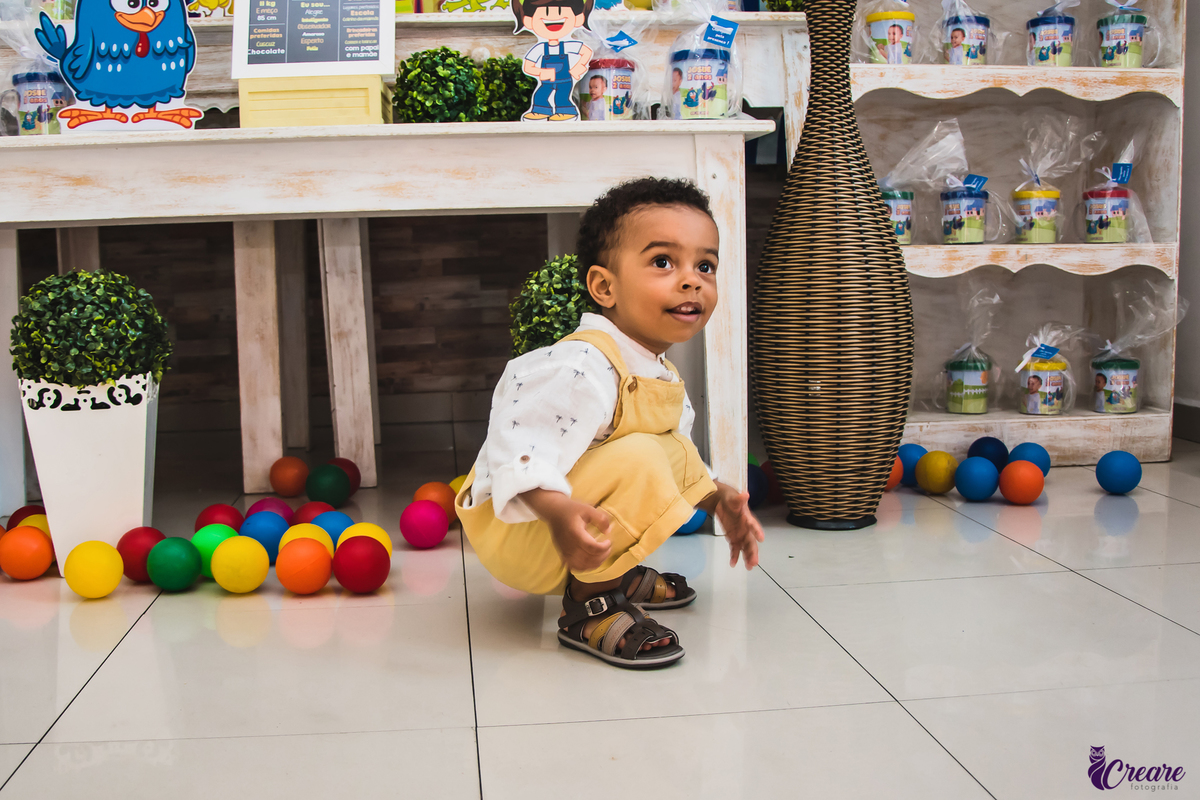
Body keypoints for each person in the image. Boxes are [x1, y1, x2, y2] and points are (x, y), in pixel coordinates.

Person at [455, 178, 764, 669]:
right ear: (604, 286)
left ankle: (613, 573)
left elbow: (678, 457)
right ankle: (587, 607)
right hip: (529, 528)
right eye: (663, 262)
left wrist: (716, 496)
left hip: (576, 527)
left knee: (668, 448)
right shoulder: (578, 365)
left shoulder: (656, 371)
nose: (691, 280)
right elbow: (520, 451)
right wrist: (557, 515)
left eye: (705, 265)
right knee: (641, 456)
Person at [514, 0, 594, 121]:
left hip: (565, 79)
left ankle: (566, 112)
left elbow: (586, 52)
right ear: (528, 21)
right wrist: (541, 72)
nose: (553, 17)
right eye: (545, 13)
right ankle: (540, 111)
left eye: (561, 12)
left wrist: (579, 67)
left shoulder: (567, 46)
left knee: (561, 97)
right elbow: (527, 67)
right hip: (546, 81)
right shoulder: (540, 48)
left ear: (578, 18)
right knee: (540, 95)